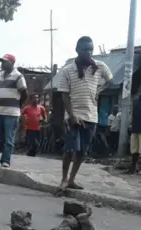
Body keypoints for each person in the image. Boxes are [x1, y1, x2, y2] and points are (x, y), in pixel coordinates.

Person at [57, 36, 112, 191]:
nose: (88, 52)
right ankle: (63, 179)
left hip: (91, 116)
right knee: (69, 149)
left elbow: (110, 79)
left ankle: (72, 180)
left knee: (82, 152)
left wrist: (99, 90)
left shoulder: (99, 66)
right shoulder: (68, 70)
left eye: (90, 49)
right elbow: (64, 95)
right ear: (77, 50)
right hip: (73, 116)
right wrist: (72, 115)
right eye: (85, 49)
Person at [0, 53, 28, 168]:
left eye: (4, 62)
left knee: (9, 139)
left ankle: (5, 160)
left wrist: (19, 104)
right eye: (1, 62)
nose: (2, 64)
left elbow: (24, 93)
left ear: (12, 63)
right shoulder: (0, 77)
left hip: (12, 113)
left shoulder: (18, 76)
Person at [127, 81, 141, 173]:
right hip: (135, 128)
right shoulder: (137, 101)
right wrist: (130, 126)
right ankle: (132, 168)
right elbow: (133, 115)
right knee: (134, 150)